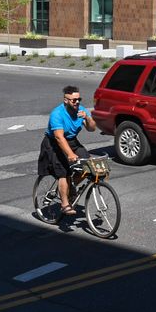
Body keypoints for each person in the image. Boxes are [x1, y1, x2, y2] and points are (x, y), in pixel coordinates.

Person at [37, 85, 97, 215]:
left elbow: (92, 128)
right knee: (63, 172)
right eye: (73, 100)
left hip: (72, 141)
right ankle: (64, 204)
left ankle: (70, 188)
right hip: (54, 143)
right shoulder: (57, 114)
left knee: (89, 166)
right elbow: (59, 137)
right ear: (66, 100)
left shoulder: (81, 110)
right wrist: (70, 154)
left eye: (78, 99)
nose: (77, 102)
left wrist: (87, 118)